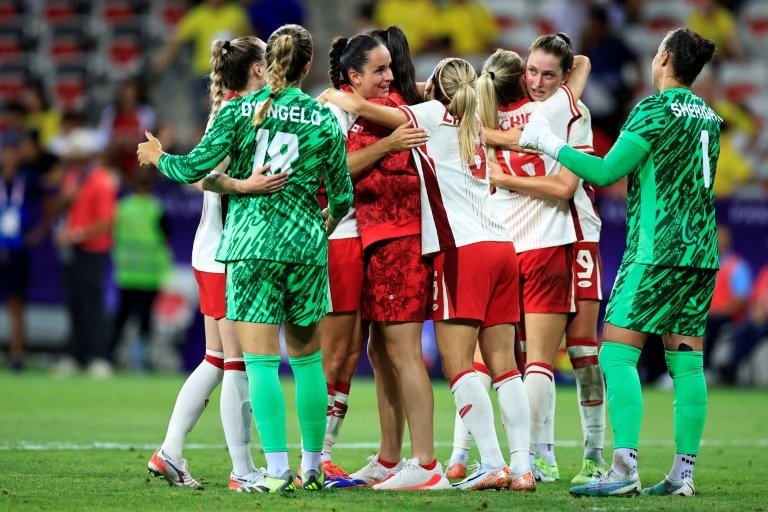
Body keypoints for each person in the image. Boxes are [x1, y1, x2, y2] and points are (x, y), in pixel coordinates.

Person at [139, 24, 354, 494]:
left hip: (251, 249)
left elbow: (193, 169)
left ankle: (273, 471)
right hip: (304, 249)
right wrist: (328, 222)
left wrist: (157, 158)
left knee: (255, 364)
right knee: (308, 362)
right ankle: (312, 468)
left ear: (269, 62)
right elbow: (342, 195)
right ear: (308, 65)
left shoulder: (238, 111)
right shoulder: (321, 119)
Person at [520, 27, 720, 497]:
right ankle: (681, 476)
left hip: (657, 253)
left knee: (615, 353)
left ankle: (624, 467)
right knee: (688, 366)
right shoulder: (710, 116)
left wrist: (549, 143)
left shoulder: (653, 109)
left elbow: (608, 171)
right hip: (702, 254)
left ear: (666, 57)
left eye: (656, 51)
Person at [320, 57, 533, 492]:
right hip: (503, 246)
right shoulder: (475, 117)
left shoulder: (436, 115)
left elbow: (382, 112)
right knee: (506, 367)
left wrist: (335, 95)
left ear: (434, 87)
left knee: (457, 365)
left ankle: (490, 463)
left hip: (463, 250)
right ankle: (523, 466)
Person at [482, 44, 607, 485]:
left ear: (563, 77)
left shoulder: (564, 109)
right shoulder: (529, 109)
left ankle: (592, 453)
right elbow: (584, 64)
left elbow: (565, 186)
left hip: (577, 234)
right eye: (531, 72)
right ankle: (543, 455)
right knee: (537, 354)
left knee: (582, 351)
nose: (536, 82)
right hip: (537, 241)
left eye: (548, 75)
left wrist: (495, 158)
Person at [324, 28, 433, 489]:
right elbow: (334, 167)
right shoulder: (367, 114)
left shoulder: (396, 113)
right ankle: (390, 458)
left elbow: (380, 116)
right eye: (379, 69)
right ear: (355, 74)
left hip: (400, 243)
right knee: (379, 352)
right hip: (374, 244)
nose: (389, 76)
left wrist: (345, 100)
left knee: (405, 354)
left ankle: (425, 463)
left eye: (392, 67)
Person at [52, 128, 117, 378]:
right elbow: (64, 209)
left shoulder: (100, 180)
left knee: (91, 305)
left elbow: (106, 221)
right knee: (75, 304)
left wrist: (76, 234)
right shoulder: (72, 178)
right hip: (74, 251)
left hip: (92, 251)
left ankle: (100, 357)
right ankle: (75, 355)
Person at [110, 168, 171, 371]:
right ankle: (140, 359)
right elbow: (166, 237)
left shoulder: (122, 207)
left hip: (126, 271)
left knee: (122, 316)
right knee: (145, 318)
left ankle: (110, 356)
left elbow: (114, 234)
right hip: (149, 274)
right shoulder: (156, 208)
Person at [703, 225, 751, 373]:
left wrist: (716, 312)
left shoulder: (737, 266)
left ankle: (706, 369)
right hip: (705, 314)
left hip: (726, 317)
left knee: (711, 323)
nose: (717, 241)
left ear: (727, 241)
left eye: (721, 237)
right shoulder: (704, 265)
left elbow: (740, 301)